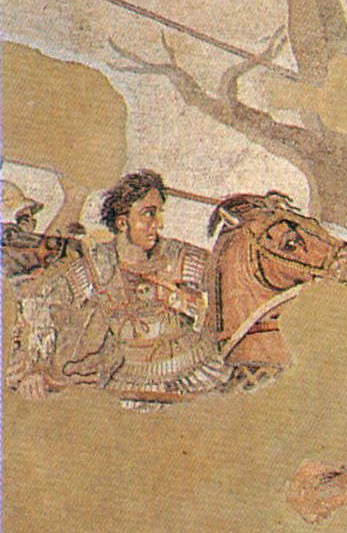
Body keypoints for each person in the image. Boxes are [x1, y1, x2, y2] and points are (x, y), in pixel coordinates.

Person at [10, 169, 232, 402]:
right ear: (123, 222)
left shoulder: (177, 256)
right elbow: (43, 308)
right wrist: (36, 368)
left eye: (159, 213)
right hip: (122, 379)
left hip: (191, 371)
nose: (159, 224)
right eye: (149, 214)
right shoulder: (96, 265)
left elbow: (225, 276)